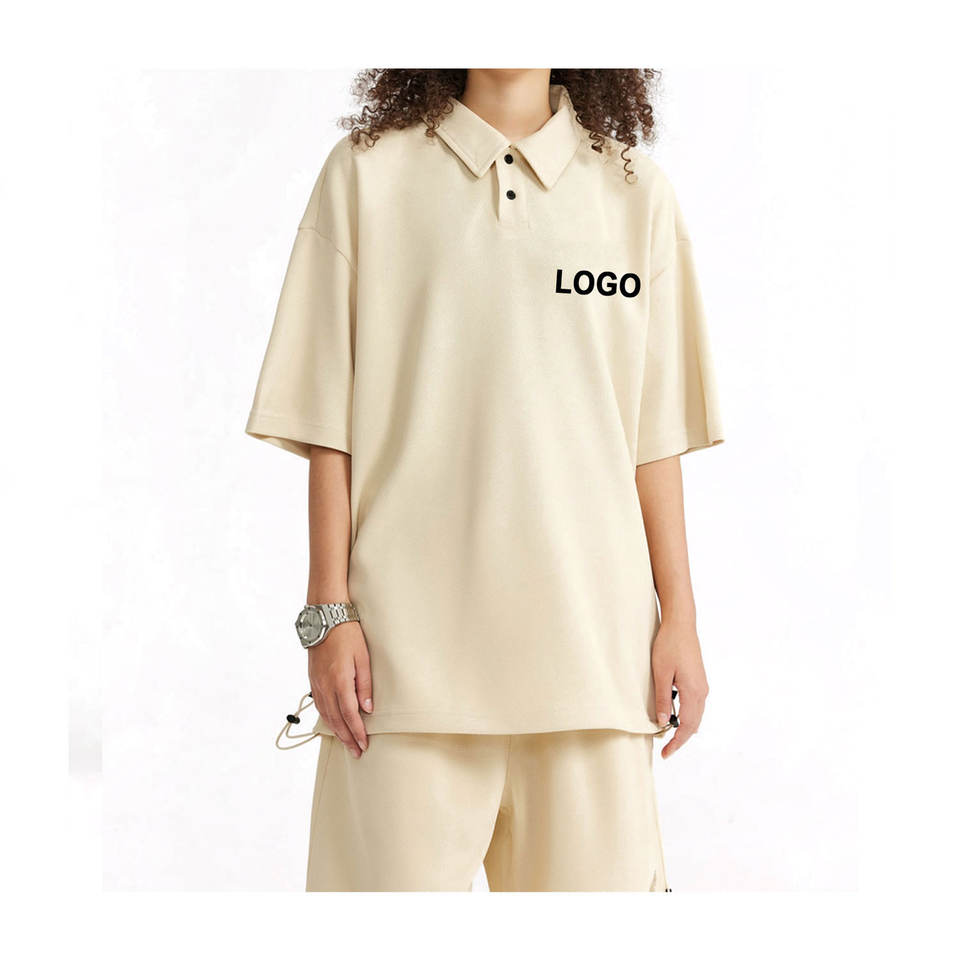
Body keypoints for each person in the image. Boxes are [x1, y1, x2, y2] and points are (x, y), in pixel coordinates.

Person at [247, 68, 723, 891]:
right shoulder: (366, 174)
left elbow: (652, 441)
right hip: (398, 675)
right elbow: (328, 421)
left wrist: (679, 616)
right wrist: (328, 615)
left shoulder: (635, 194)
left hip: (594, 669)